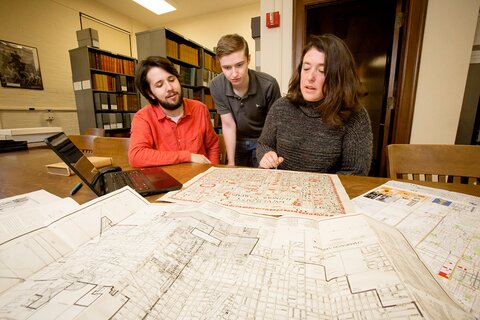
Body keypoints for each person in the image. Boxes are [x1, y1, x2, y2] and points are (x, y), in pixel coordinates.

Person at [256, 34, 373, 175]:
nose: (310, 77)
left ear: (339, 77)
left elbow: (356, 171)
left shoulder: (355, 116)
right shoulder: (282, 106)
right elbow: (264, 144)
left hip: (325, 193)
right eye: (306, 68)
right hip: (281, 189)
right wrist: (267, 155)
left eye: (322, 71)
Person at [129, 56, 219, 167]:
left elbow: (212, 145)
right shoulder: (143, 117)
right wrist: (188, 156)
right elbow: (137, 156)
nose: (169, 88)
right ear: (150, 94)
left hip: (201, 179)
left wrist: (214, 171)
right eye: (159, 85)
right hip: (167, 181)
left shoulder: (200, 109)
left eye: (171, 79)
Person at [210, 34, 281, 167]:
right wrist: (231, 162)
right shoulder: (216, 85)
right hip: (236, 141)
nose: (234, 73)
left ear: (248, 59)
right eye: (227, 67)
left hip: (262, 141)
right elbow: (228, 125)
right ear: (219, 64)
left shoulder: (269, 84)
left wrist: (268, 152)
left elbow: (275, 126)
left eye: (239, 65)